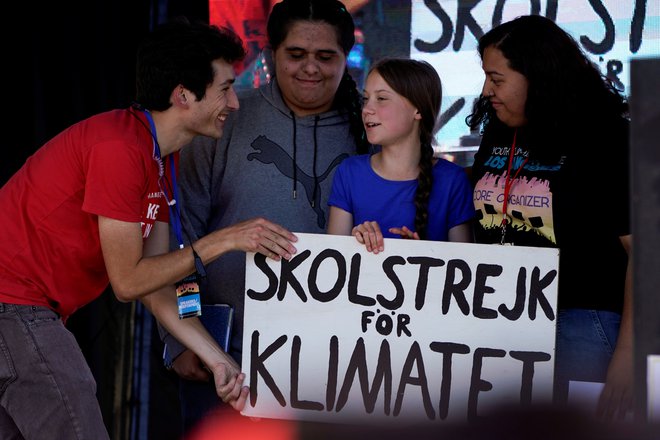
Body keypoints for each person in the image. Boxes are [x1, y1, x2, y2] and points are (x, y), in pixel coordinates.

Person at [0, 19, 300, 440]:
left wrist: (218, 360)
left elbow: (156, 281)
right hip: (14, 306)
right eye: (225, 89)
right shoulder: (119, 148)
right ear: (182, 94)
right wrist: (226, 239)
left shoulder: (156, 156)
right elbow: (127, 281)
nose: (234, 103)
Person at [157, 0, 369, 433]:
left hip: (342, 368)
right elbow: (183, 237)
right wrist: (183, 334)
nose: (310, 67)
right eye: (295, 54)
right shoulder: (224, 116)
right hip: (226, 363)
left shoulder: (373, 127)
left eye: (326, 56)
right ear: (271, 54)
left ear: (346, 57)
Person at [466, 15, 632, 420]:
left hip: (581, 322)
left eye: (497, 78)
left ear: (536, 75)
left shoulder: (607, 137)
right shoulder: (500, 131)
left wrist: (629, 354)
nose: (487, 91)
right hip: (502, 320)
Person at [326, 57, 475, 251]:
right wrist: (357, 244)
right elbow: (332, 258)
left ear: (418, 110)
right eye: (366, 99)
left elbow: (466, 266)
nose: (367, 109)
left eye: (381, 99)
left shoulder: (453, 180)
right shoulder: (349, 172)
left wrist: (419, 255)